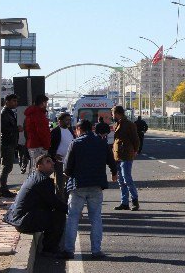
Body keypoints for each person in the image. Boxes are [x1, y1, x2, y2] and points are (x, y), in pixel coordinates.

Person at [61, 119, 117, 260]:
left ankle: (69, 251)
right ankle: (96, 251)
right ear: (91, 129)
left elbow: (67, 168)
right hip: (96, 186)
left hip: (78, 186)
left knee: (73, 218)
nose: (75, 132)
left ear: (79, 129)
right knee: (96, 218)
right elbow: (111, 160)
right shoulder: (101, 142)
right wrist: (114, 173)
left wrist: (67, 174)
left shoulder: (75, 143)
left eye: (76, 130)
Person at [2, 154, 68, 257]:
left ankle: (50, 246)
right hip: (24, 221)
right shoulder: (42, 181)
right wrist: (71, 211)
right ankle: (49, 249)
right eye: (48, 162)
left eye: (51, 161)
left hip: (18, 218)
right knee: (58, 216)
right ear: (39, 166)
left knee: (52, 213)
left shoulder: (35, 176)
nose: (52, 163)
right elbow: (54, 202)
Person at [111, 105, 140, 211]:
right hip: (118, 155)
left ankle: (135, 201)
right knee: (121, 181)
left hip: (126, 154)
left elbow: (135, 139)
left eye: (113, 113)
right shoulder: (117, 124)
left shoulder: (129, 124)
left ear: (117, 113)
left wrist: (135, 151)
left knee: (127, 179)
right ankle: (124, 203)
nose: (112, 115)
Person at [48, 112, 75, 201]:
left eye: (69, 120)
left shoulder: (70, 130)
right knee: (60, 183)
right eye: (66, 120)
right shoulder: (55, 131)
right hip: (59, 162)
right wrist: (54, 155)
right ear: (60, 121)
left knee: (69, 183)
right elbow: (50, 146)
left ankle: (67, 202)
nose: (68, 122)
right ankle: (59, 203)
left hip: (69, 161)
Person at [0, 94, 19, 198]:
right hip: (6, 143)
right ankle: (2, 189)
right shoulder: (4, 113)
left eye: (16, 101)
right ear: (7, 101)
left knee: (8, 166)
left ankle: (2, 188)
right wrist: (17, 129)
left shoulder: (10, 113)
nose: (15, 103)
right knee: (7, 166)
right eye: (13, 101)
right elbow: (4, 129)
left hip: (10, 143)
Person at [25, 94, 51, 170]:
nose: (46, 105)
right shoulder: (39, 114)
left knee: (34, 167)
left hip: (32, 143)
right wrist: (46, 145)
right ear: (43, 103)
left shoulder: (31, 114)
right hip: (39, 145)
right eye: (46, 103)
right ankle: (36, 182)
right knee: (40, 169)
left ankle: (32, 181)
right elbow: (42, 131)